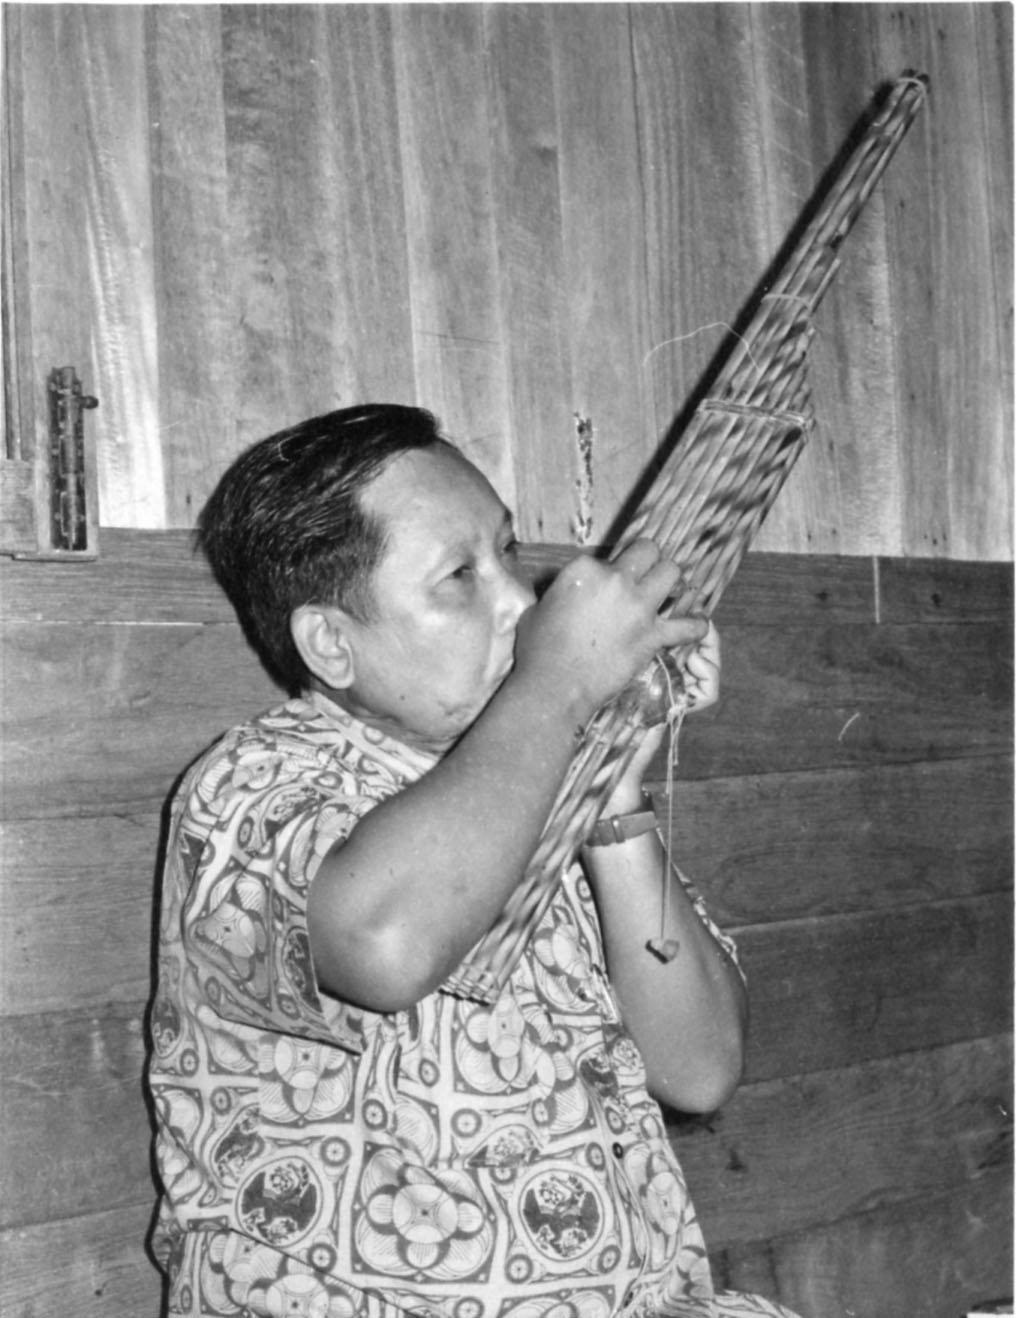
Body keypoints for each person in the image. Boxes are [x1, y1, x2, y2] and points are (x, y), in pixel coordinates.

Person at [147, 404, 799, 1318]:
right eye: (460, 576)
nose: (522, 604)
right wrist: (559, 683)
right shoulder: (253, 784)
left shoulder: (534, 761)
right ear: (331, 643)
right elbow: (384, 946)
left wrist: (612, 789)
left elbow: (699, 1068)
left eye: (508, 552)